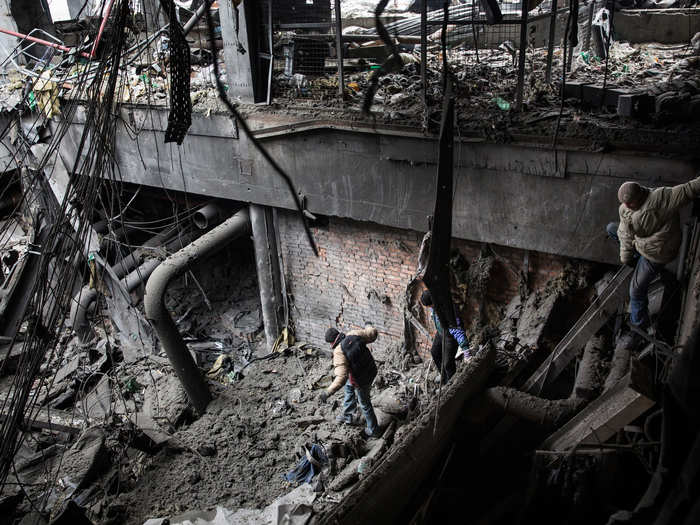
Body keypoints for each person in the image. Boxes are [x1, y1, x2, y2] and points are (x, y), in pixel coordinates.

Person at [607, 176, 700, 329]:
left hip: (657, 253)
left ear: (639, 196)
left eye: (630, 203)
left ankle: (639, 326)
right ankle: (636, 262)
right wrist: (627, 257)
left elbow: (689, 188)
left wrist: (626, 258)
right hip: (641, 243)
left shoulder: (662, 199)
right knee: (611, 228)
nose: (627, 206)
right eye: (625, 203)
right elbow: (624, 233)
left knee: (635, 291)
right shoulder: (627, 208)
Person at [319, 324, 380, 438]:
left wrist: (328, 392)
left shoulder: (338, 352)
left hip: (361, 380)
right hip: (371, 370)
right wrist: (368, 326)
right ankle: (348, 414)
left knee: (365, 404)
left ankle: (374, 430)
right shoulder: (354, 334)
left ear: (331, 343)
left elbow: (341, 377)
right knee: (348, 386)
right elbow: (372, 334)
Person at [420, 289, 470, 384]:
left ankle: (451, 383)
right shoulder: (435, 301)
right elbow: (432, 308)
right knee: (435, 352)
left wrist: (466, 351)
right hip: (441, 333)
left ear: (433, 302)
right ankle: (444, 376)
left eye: (430, 306)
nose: (430, 308)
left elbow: (459, 332)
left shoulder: (449, 312)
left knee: (448, 363)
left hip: (450, 337)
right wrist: (433, 314)